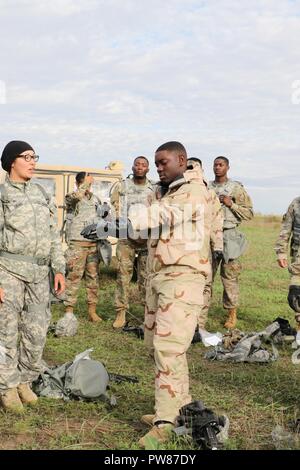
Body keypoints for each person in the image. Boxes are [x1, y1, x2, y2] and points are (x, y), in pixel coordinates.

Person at [82, 141, 212, 447]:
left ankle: (165, 424)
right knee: (160, 348)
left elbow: (162, 216)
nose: (158, 168)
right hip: (161, 278)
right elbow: (146, 229)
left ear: (182, 160)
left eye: (163, 162)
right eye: (156, 164)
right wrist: (110, 225)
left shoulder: (193, 190)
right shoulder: (165, 190)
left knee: (169, 349)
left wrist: (122, 223)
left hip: (183, 278)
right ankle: (176, 408)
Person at [0, 140, 65, 413]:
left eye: (34, 156)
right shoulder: (3, 194)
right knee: (7, 330)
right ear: (11, 161)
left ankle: (25, 380)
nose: (32, 161)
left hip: (40, 273)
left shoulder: (40, 192)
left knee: (36, 331)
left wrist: (58, 268)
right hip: (9, 271)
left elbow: (53, 234)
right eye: (26, 157)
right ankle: (6, 385)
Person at [207, 156, 254, 329]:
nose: (217, 168)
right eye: (215, 165)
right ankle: (202, 309)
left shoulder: (236, 188)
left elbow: (249, 214)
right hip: (210, 237)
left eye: (221, 165)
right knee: (205, 276)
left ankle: (231, 314)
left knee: (229, 277)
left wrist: (231, 204)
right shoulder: (207, 187)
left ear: (227, 167)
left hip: (229, 236)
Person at [110, 156, 155, 328]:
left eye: (143, 165)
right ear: (133, 167)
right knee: (123, 276)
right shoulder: (123, 186)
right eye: (137, 164)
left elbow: (157, 211)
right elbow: (115, 208)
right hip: (126, 237)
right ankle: (120, 312)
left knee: (146, 278)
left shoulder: (154, 188)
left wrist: (148, 232)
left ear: (147, 169)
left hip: (146, 238)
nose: (140, 167)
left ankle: (147, 313)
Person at [187, 158, 224, 329]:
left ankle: (199, 326)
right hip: (181, 249)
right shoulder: (177, 191)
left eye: (195, 167)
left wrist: (218, 246)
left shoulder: (209, 194)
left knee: (204, 286)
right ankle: (183, 323)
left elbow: (217, 221)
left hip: (202, 250)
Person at [63, 172, 105, 322]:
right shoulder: (72, 197)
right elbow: (76, 197)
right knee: (74, 278)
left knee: (93, 278)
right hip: (77, 244)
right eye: (85, 180)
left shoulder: (96, 199)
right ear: (78, 182)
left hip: (93, 244)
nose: (89, 183)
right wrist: (84, 185)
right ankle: (69, 311)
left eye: (89, 181)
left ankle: (92, 311)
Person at [275, 198, 300, 329]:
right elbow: (286, 229)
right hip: (298, 258)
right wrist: (281, 252)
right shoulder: (296, 204)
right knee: (296, 295)